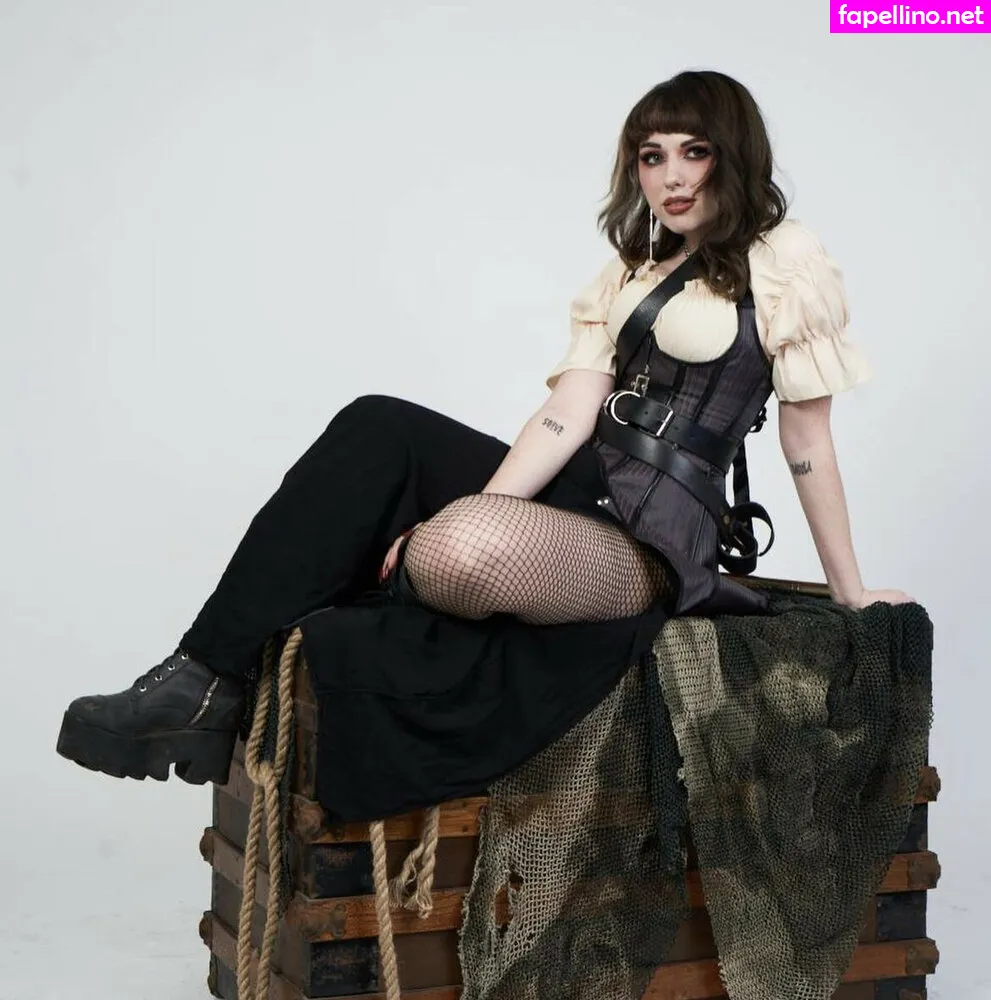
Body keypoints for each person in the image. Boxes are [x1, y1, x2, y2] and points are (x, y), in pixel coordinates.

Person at [55, 69, 912, 809]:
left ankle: (253, 654)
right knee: (378, 424)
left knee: (461, 550)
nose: (671, 176)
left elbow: (806, 438)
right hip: (582, 488)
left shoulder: (784, 261)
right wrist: (488, 502)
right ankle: (200, 679)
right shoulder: (629, 272)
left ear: (734, 153)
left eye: (694, 152)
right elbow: (566, 416)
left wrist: (849, 591)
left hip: (652, 537)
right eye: (651, 157)